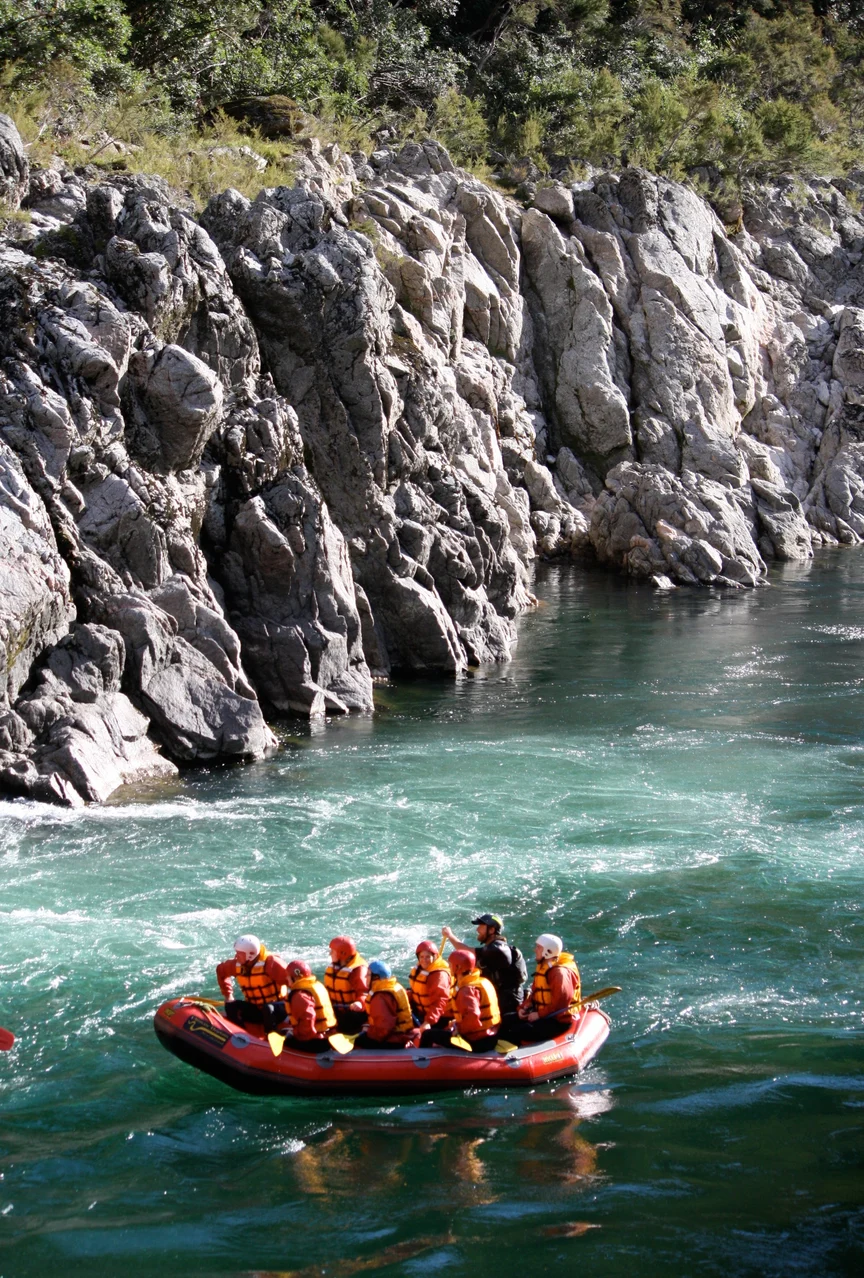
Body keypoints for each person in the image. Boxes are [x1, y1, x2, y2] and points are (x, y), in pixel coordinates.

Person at [499, 933, 581, 1045]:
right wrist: (525, 1007)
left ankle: (510, 1056)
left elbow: (560, 1004)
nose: (535, 950)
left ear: (548, 951)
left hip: (557, 1021)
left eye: (538, 947)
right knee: (506, 1019)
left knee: (516, 1031)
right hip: (544, 1014)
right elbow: (535, 992)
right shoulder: (545, 966)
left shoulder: (559, 973)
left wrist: (539, 1015)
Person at [442, 912, 527, 1015]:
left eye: (481, 926)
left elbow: (467, 952)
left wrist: (450, 935)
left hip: (508, 1004)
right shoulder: (493, 948)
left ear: (491, 930)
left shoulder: (496, 949)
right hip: (501, 998)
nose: (477, 930)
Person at [419, 949, 501, 1052]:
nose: (448, 966)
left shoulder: (466, 990)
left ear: (458, 967)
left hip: (476, 1041)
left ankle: (420, 1062)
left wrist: (459, 1028)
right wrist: (457, 1023)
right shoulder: (482, 981)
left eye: (450, 964)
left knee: (428, 1034)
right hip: (491, 1036)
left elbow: (473, 1016)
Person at [216, 934, 291, 1032]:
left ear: (250, 955)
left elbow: (296, 984)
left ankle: (271, 1035)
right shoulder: (236, 965)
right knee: (231, 1006)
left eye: (239, 954)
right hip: (256, 1009)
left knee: (268, 1008)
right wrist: (228, 995)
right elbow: (221, 971)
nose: (236, 956)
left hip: (277, 1010)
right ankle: (240, 1034)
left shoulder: (272, 964)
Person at [353, 960, 418, 1050]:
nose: (365, 977)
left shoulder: (380, 997)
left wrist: (368, 1032)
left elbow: (384, 1029)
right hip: (400, 1033)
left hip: (394, 1039)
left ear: (375, 977)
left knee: (357, 1041)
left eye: (368, 974)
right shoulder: (392, 986)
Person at [281, 959, 338, 1054]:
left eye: (288, 977)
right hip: (328, 1035)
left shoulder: (300, 995)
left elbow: (308, 1018)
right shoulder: (317, 986)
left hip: (315, 1042)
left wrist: (300, 1037)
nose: (287, 979)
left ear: (295, 978)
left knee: (284, 1043)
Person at [324, 935, 370, 1034]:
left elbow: (364, 992)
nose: (330, 953)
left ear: (342, 954)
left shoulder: (357, 970)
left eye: (332, 951)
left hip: (355, 1012)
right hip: (338, 1008)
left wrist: (359, 1003)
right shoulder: (335, 967)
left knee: (348, 1019)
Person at [408, 940, 451, 1030]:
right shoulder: (420, 968)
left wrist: (428, 1022)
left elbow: (439, 1002)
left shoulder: (439, 975)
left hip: (440, 1017)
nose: (424, 960)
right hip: (422, 1011)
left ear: (434, 957)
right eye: (421, 957)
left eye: (428, 957)